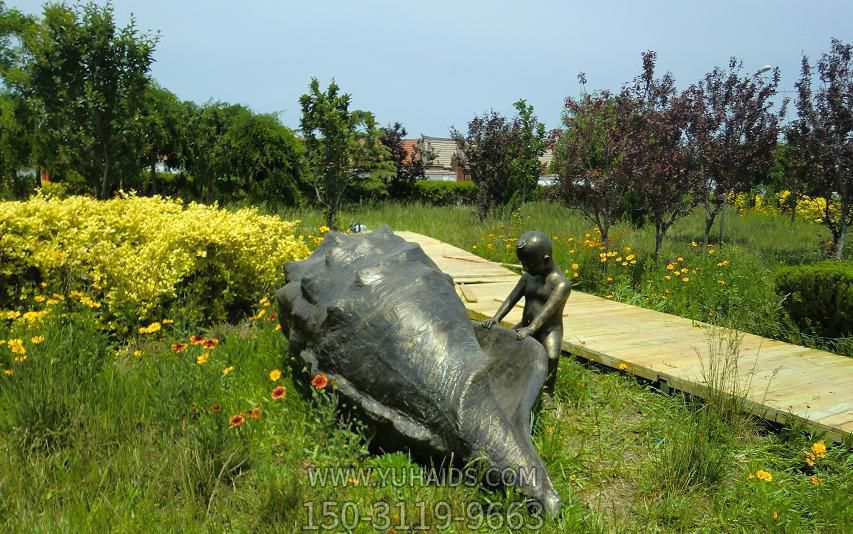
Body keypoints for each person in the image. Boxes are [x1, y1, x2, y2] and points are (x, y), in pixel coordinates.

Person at [481, 231, 570, 402]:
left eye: (529, 264)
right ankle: (509, 378)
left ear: (545, 260)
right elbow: (511, 299)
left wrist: (532, 328)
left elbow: (547, 311)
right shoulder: (528, 278)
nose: (524, 268)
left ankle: (546, 393)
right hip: (526, 324)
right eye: (522, 263)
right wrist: (496, 318)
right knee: (504, 345)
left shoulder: (561, 284)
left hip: (549, 330)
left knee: (551, 356)